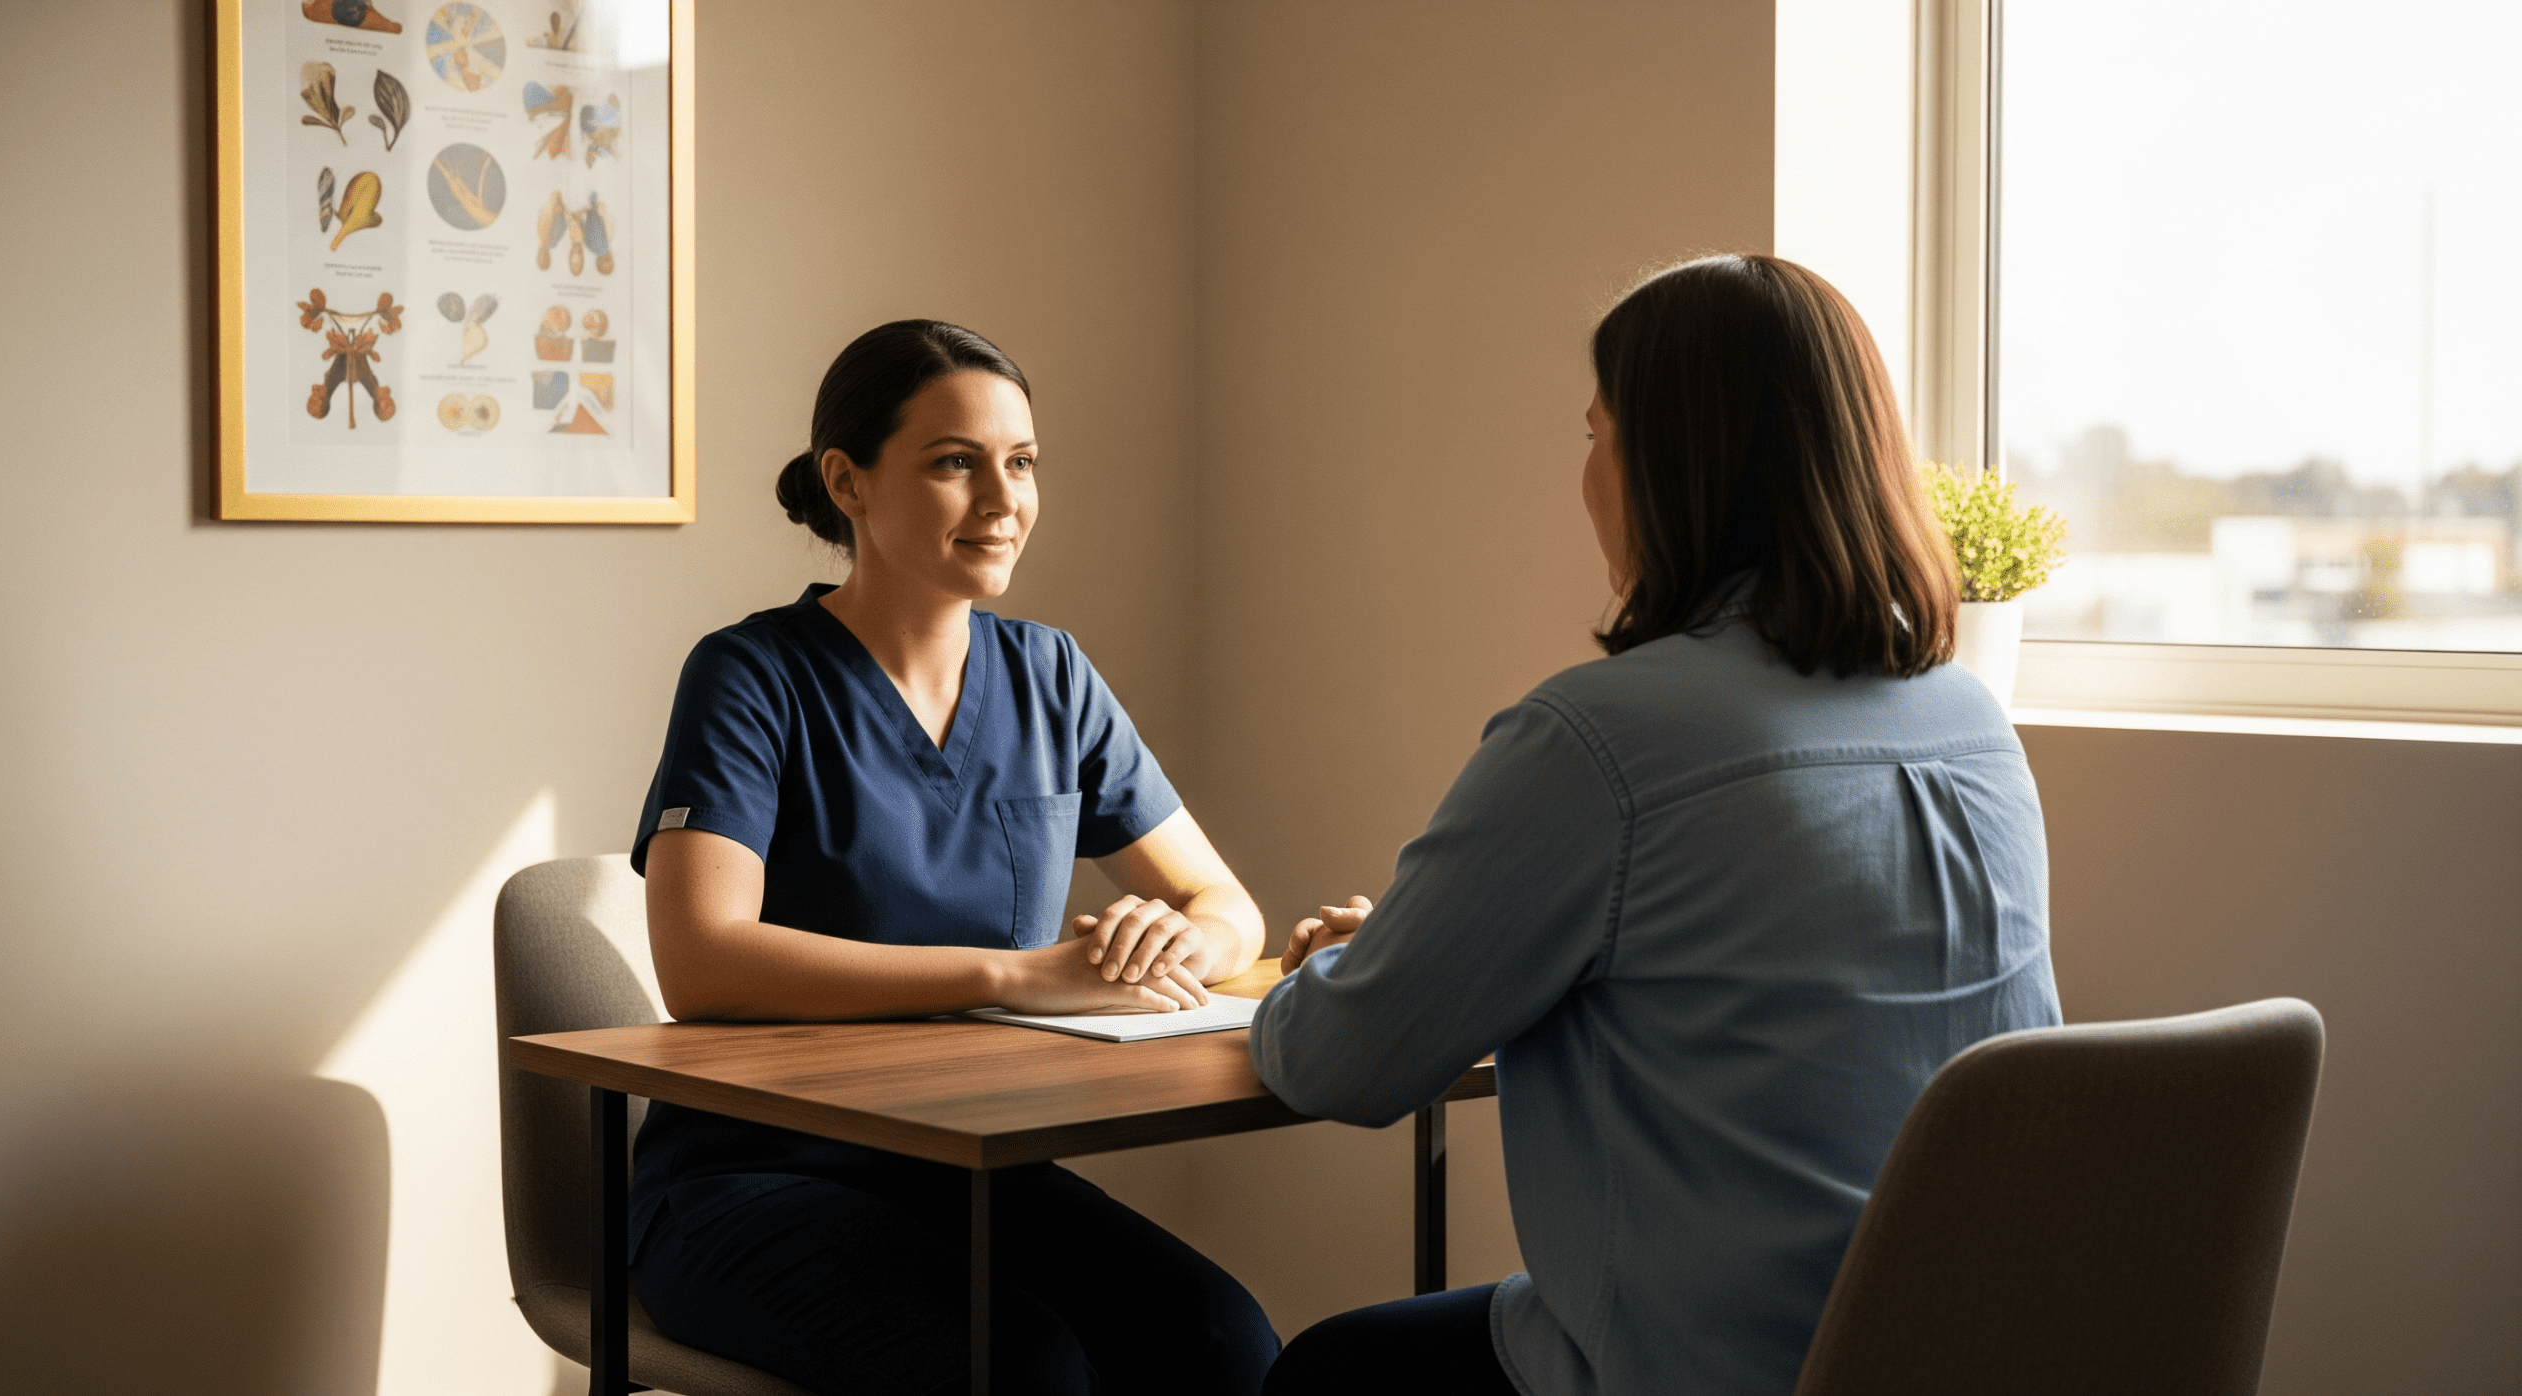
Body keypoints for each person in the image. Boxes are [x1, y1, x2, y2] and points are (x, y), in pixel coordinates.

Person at [1250, 255, 2062, 1396]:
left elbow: (1340, 1062)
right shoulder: (1968, 718)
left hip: (1718, 1361)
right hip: (1950, 1346)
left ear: (1672, 464)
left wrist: (1335, 964)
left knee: (1329, 1372)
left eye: (1597, 434)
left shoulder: (1599, 739)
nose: (1586, 475)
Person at [628, 320, 1281, 1396]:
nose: (1002, 500)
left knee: (1223, 1341)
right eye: (954, 463)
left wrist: (1174, 935)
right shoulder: (752, 677)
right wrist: (1019, 974)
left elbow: (1225, 905)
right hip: (750, 1180)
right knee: (1025, 1373)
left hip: (978, 1173)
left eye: (1020, 463)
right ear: (848, 480)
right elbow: (702, 959)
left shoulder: (1051, 674)